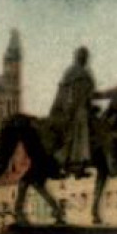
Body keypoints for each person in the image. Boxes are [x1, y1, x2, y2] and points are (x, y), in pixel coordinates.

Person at [48, 46, 97, 177]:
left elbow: (91, 95)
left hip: (85, 107)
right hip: (71, 109)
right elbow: (63, 92)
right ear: (78, 57)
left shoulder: (87, 74)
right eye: (82, 56)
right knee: (81, 120)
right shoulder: (71, 72)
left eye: (86, 57)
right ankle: (76, 162)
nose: (85, 59)